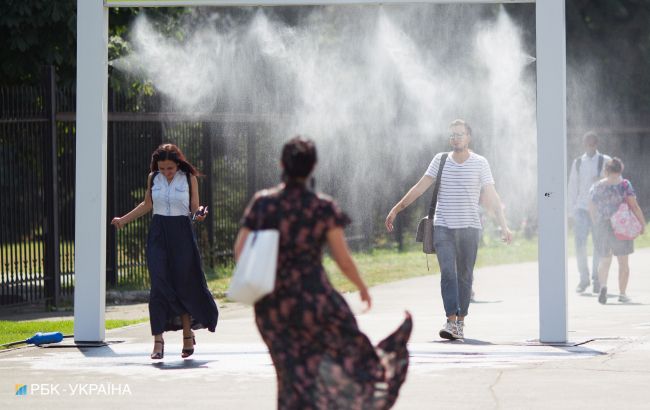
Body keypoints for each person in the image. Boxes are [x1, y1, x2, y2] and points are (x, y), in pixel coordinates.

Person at [234, 136, 412, 409]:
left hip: (273, 305)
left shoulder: (263, 203)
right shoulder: (323, 207)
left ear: (281, 164)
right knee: (336, 360)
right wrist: (362, 286)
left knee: (289, 374)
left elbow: (240, 250)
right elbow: (342, 259)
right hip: (315, 302)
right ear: (313, 167)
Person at [385, 119, 512, 340]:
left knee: (465, 276)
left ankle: (461, 321)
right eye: (452, 135)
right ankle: (451, 321)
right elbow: (419, 187)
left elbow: (492, 196)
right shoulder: (440, 160)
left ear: (468, 137)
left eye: (460, 134)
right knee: (448, 273)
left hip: (470, 228)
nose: (455, 138)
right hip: (443, 226)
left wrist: (504, 226)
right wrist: (396, 209)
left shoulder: (480, 163)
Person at [111, 143, 219, 359]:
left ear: (177, 164)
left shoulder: (189, 178)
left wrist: (200, 214)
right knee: (159, 285)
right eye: (162, 168)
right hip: (159, 233)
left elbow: (194, 207)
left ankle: (188, 335)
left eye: (169, 168)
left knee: (184, 284)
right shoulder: (153, 178)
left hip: (182, 234)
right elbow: (146, 204)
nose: (166, 172)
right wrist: (123, 220)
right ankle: (158, 341)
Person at [589, 157, 646, 304]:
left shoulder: (597, 186)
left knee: (605, 259)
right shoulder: (625, 185)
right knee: (623, 262)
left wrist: (595, 222)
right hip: (621, 225)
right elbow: (634, 205)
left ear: (606, 170)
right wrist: (642, 223)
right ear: (620, 170)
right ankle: (622, 293)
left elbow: (591, 206)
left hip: (603, 225)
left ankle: (603, 286)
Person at [568, 131, 611, 293]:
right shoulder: (578, 162)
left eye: (592, 144)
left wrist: (599, 180)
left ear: (596, 144)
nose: (589, 147)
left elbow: (613, 181)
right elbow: (572, 186)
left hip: (600, 210)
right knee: (580, 245)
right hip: (581, 208)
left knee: (598, 246)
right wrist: (570, 213)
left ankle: (597, 280)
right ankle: (583, 279)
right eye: (587, 144)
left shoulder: (606, 160)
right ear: (584, 144)